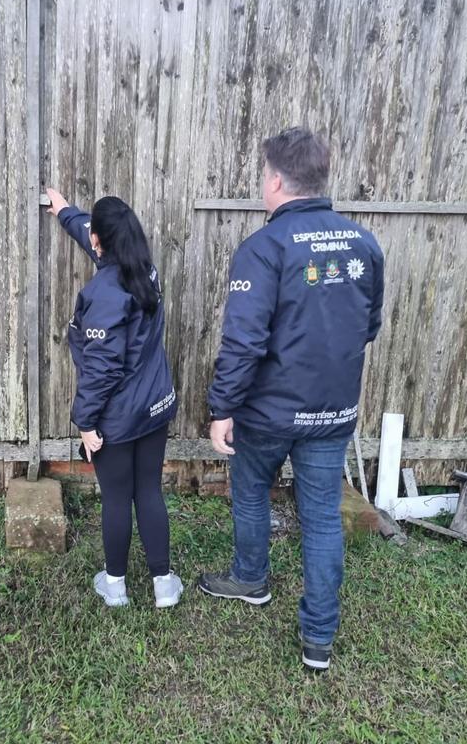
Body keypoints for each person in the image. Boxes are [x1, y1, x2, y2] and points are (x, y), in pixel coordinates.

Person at [196, 127, 385, 671]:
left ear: (276, 180)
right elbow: (369, 326)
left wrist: (222, 408)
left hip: (268, 413)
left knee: (251, 491)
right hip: (334, 410)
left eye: (264, 174)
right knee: (321, 517)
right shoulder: (363, 244)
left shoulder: (264, 249)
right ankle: (318, 639)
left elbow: (244, 341)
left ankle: (250, 578)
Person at [45, 188, 183, 609]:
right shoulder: (144, 269)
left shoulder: (105, 294)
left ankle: (116, 586)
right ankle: (163, 586)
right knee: (149, 492)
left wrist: (86, 422)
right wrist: (65, 211)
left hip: (117, 416)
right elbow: (95, 234)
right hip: (154, 407)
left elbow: (103, 369)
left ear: (100, 242)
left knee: (118, 498)